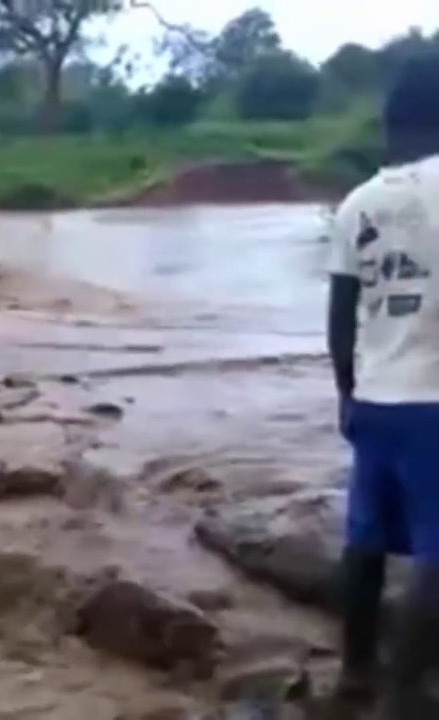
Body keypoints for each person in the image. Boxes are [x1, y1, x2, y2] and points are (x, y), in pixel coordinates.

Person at [326, 52, 439, 719]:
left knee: (365, 540)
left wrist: (346, 395)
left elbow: (340, 321)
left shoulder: (358, 203)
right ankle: (405, 697)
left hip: (375, 398)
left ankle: (355, 674)